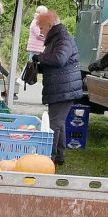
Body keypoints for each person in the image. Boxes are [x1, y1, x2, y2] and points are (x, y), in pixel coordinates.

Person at [32, 9, 83, 165]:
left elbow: (59, 59)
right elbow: (55, 62)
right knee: (58, 122)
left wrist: (39, 57)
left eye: (41, 27)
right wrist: (38, 66)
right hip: (61, 87)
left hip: (64, 88)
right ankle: (59, 157)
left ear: (50, 25)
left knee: (54, 123)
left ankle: (50, 157)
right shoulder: (57, 39)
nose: (40, 31)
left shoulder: (63, 38)